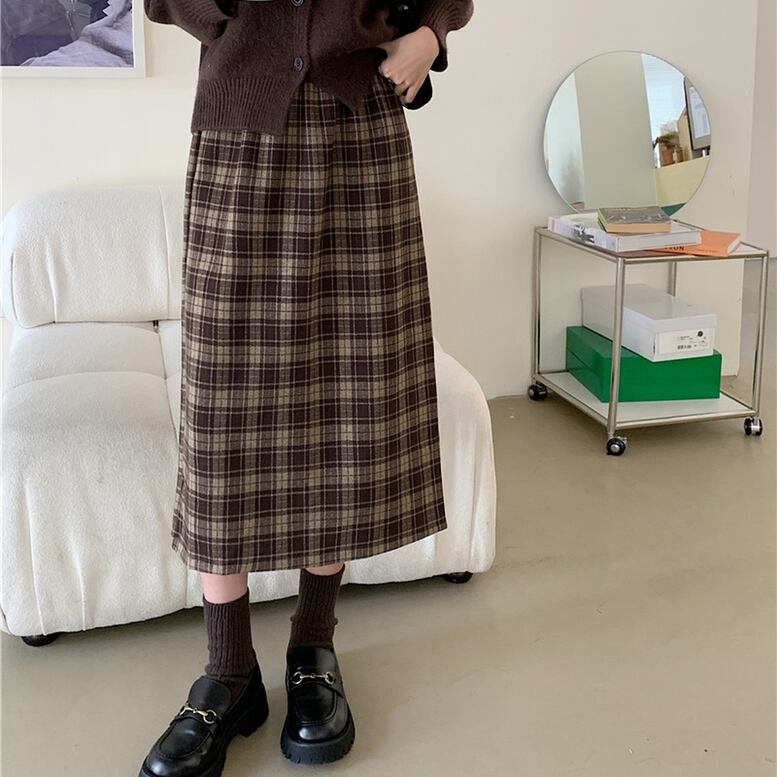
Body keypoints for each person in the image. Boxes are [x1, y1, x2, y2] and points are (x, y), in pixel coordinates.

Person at [138, 0, 474, 774]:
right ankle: (228, 670)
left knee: (348, 392)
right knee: (220, 411)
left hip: (361, 131)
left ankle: (312, 646)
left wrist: (430, 34)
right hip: (238, 134)